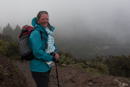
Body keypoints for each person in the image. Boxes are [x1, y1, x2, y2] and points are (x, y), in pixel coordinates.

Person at [28, 11, 59, 87]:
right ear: (38, 21)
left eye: (47, 19)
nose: (45, 21)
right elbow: (37, 52)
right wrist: (51, 58)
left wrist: (55, 53)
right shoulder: (35, 33)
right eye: (43, 19)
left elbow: (51, 45)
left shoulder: (47, 32)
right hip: (38, 68)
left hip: (45, 66)